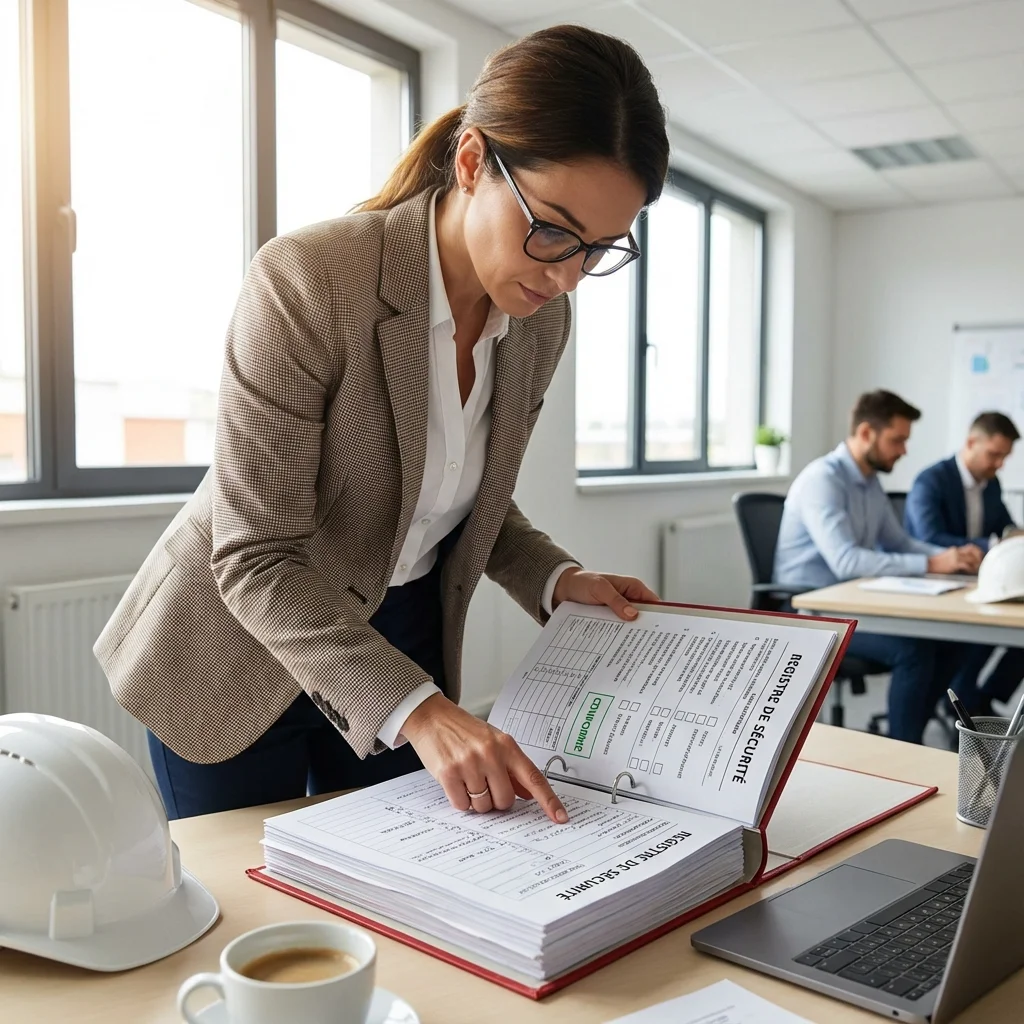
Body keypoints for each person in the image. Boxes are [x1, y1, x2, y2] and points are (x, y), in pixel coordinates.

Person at [94, 26, 669, 820]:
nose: (566, 275)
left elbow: (465, 500)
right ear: (473, 163)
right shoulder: (310, 280)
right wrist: (425, 713)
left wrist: (557, 580)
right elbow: (257, 556)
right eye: (553, 230)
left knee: (398, 896)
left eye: (599, 249)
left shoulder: (538, 321)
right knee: (251, 914)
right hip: (240, 644)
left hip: (401, 630)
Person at [773, 390, 982, 743]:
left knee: (952, 642)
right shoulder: (823, 480)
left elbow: (899, 543)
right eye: (897, 440)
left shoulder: (870, 482)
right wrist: (932, 561)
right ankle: (906, 751)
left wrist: (952, 558)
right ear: (867, 433)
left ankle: (909, 729)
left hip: (853, 603)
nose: (903, 450)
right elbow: (846, 561)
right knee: (912, 651)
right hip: (810, 610)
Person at [906, 412, 1024, 715]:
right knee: (978, 637)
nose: (999, 464)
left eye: (1004, 458)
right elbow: (928, 537)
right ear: (971, 443)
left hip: (974, 582)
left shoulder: (991, 484)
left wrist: (1016, 536)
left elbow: (1005, 526)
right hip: (934, 585)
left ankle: (981, 698)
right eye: (994, 455)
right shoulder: (931, 480)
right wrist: (993, 546)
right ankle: (963, 701)